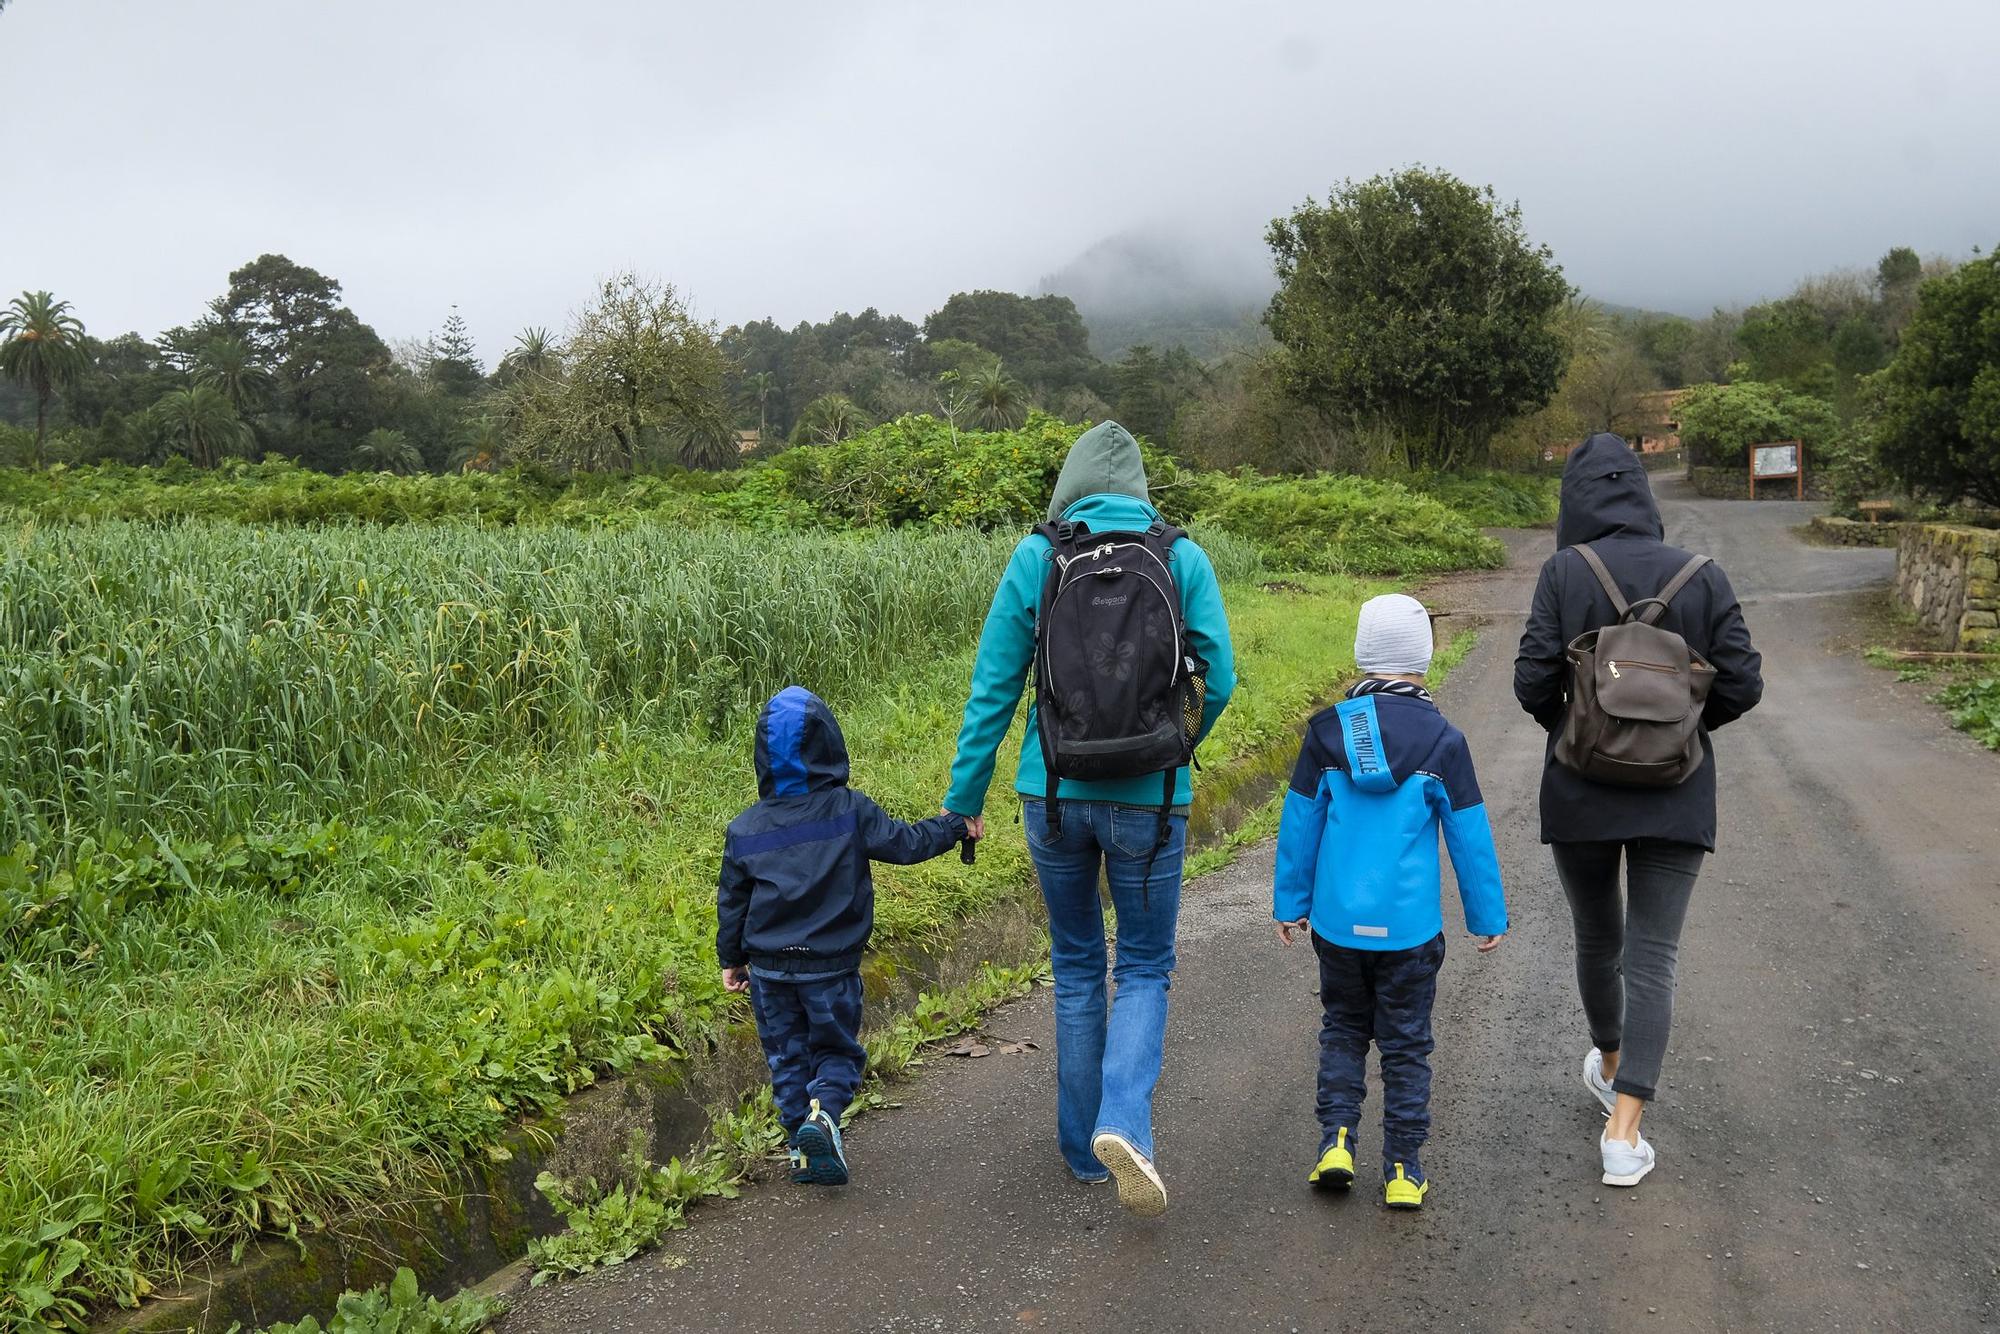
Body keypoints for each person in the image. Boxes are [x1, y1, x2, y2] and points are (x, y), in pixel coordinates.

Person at [943, 421, 1235, 1215]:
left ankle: (1082, 1151)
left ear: (1069, 484)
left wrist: (964, 799)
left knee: (1076, 965)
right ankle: (1123, 1122)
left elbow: (993, 690)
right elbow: (1224, 675)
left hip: (1054, 796)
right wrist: (1172, 745)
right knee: (1141, 965)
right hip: (1153, 800)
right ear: (1139, 487)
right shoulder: (1180, 555)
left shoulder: (1039, 556)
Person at [1514, 433, 1762, 1187]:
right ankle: (1624, 1134)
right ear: (1646, 499)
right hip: (1677, 793)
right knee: (1654, 956)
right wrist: (1680, 730)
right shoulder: (1703, 574)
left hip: (1582, 793)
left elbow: (1530, 682)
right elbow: (1743, 683)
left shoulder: (1564, 571)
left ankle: (1610, 1059)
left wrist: (1585, 732)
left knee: (1599, 939)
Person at [1271, 593, 1509, 1210]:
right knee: (1406, 1045)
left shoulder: (1327, 733)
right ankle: (1403, 1167)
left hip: (1337, 925)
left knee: (1344, 1029)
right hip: (1409, 930)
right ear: (1424, 659)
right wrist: (1487, 914)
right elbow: (1469, 835)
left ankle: (1336, 1143)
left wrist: (1288, 901)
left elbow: (1301, 824)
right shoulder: (1442, 741)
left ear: (1360, 652)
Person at [717, 685, 970, 1186]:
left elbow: (733, 901)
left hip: (768, 970)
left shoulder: (745, 828)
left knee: (787, 1057)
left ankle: (801, 1149)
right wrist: (954, 827)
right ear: (829, 745)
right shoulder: (849, 810)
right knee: (835, 1051)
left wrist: (732, 958)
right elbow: (905, 844)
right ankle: (823, 1117)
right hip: (830, 967)